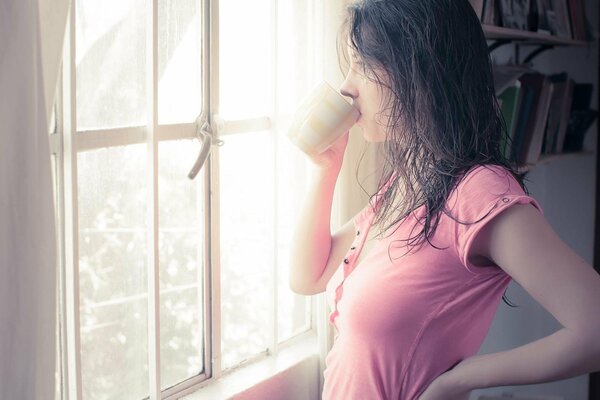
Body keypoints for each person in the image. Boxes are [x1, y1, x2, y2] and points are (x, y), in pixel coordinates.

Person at [288, 0, 600, 399]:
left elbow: (594, 328)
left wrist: (465, 376)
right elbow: (308, 276)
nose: (347, 85)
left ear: (417, 68)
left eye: (363, 65)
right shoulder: (407, 184)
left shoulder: (479, 191)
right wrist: (325, 169)